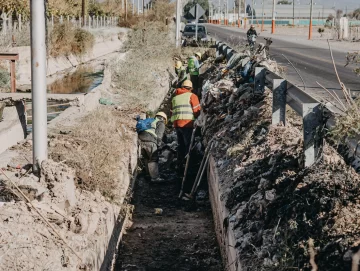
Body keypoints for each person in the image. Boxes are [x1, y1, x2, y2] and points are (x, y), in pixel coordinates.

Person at [170, 80, 201, 175]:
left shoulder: (175, 98)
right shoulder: (192, 96)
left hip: (177, 125)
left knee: (181, 145)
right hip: (187, 124)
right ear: (191, 88)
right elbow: (197, 111)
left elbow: (173, 112)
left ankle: (179, 166)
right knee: (189, 145)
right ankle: (189, 167)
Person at [138, 112, 167, 182]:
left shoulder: (151, 121)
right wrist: (159, 146)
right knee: (154, 158)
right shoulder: (161, 123)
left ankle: (148, 174)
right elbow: (159, 136)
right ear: (163, 118)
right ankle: (155, 178)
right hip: (150, 141)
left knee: (147, 158)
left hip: (140, 139)